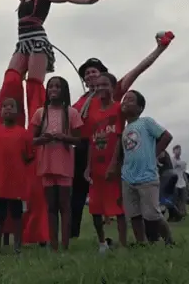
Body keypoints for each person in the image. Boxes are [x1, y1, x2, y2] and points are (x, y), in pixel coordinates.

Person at [0, 0, 106, 130]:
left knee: (34, 86)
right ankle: (10, 124)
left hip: (38, 42)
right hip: (22, 44)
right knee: (11, 79)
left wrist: (88, 0)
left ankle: (37, 127)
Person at [71, 34, 174, 238]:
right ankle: (74, 235)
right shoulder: (79, 104)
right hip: (86, 149)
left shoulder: (114, 92)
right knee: (81, 198)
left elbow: (138, 70)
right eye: (87, 73)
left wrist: (159, 49)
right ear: (84, 79)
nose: (91, 76)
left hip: (114, 149)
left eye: (95, 72)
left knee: (124, 199)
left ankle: (142, 236)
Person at [107, 90, 174, 245]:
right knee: (134, 214)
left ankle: (169, 240)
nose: (125, 102)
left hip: (147, 176)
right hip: (128, 177)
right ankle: (141, 243)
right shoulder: (124, 130)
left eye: (130, 100)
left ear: (140, 107)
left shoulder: (146, 122)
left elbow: (166, 136)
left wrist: (154, 154)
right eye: (124, 100)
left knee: (152, 214)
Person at [30, 76, 83, 252]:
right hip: (46, 164)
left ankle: (65, 245)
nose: (53, 90)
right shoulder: (40, 113)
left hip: (65, 164)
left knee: (64, 206)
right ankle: (54, 245)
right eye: (50, 86)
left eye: (57, 87)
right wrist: (42, 139)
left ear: (64, 90)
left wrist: (64, 138)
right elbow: (31, 140)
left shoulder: (72, 113)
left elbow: (79, 140)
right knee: (51, 207)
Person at [83, 72, 127, 252]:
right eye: (97, 85)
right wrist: (87, 167)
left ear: (113, 87)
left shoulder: (118, 108)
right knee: (95, 207)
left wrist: (114, 164)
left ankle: (123, 243)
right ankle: (102, 243)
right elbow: (90, 141)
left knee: (118, 207)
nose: (101, 88)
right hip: (96, 166)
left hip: (113, 166)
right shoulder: (92, 110)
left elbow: (119, 137)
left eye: (105, 85)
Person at [0, 98, 34, 253]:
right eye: (4, 106)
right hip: (0, 183)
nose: (7, 109)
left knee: (17, 215)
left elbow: (29, 156)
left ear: (18, 112)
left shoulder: (23, 133)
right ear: (0, 112)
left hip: (17, 183)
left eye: (11, 106)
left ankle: (17, 245)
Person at [169, 145, 188, 222]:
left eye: (180, 150)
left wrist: (187, 183)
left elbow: (183, 173)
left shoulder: (183, 162)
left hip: (182, 183)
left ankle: (181, 214)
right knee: (174, 200)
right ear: (173, 151)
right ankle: (175, 215)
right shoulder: (171, 160)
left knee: (182, 200)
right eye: (177, 150)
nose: (178, 151)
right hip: (174, 183)